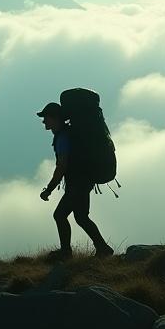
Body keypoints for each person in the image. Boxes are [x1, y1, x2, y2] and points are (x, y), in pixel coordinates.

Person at [37, 102, 114, 260]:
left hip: (77, 183)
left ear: (55, 118)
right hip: (85, 180)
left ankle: (66, 252)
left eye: (46, 117)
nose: (44, 121)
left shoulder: (63, 137)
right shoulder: (69, 134)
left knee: (60, 215)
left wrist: (49, 189)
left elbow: (62, 166)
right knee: (81, 217)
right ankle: (103, 248)